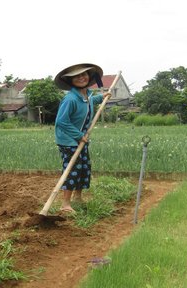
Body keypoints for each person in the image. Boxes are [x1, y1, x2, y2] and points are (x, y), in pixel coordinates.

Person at [54, 63, 111, 213]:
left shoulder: (87, 95)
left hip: (80, 139)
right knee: (72, 169)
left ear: (89, 76)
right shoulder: (70, 99)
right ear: (70, 80)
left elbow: (90, 101)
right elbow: (61, 121)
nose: (81, 78)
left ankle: (78, 198)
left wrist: (102, 97)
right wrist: (78, 136)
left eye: (84, 74)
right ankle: (65, 204)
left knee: (84, 167)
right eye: (76, 76)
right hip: (69, 140)